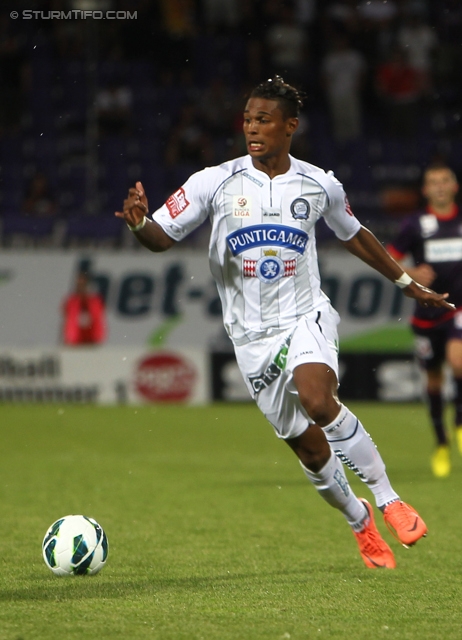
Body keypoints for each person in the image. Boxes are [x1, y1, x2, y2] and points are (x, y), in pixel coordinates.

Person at [116, 77, 453, 569]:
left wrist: (407, 283)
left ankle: (389, 499)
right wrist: (139, 225)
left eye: (263, 120)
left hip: (304, 316)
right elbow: (162, 237)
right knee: (313, 454)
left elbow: (355, 234)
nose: (252, 128)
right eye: (248, 119)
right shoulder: (214, 181)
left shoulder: (319, 184)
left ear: (289, 126)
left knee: (319, 399)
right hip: (249, 338)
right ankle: (360, 522)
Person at [387, 164, 462, 478]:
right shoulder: (415, 224)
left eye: (445, 180)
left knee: (458, 364)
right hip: (427, 314)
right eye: (433, 182)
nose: (440, 186)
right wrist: (412, 275)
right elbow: (389, 257)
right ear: (426, 190)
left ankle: (458, 423)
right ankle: (441, 442)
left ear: (455, 186)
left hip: (458, 309)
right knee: (434, 381)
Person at [62, 272, 106, 346]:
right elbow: (67, 319)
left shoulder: (95, 301)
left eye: (83, 285)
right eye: (79, 285)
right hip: (74, 339)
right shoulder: (71, 301)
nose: (81, 287)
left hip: (93, 338)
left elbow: (98, 318)